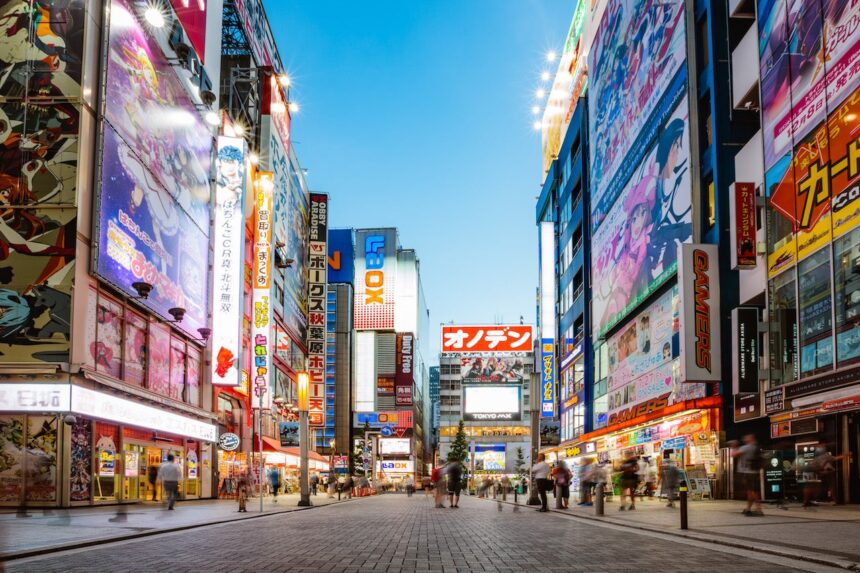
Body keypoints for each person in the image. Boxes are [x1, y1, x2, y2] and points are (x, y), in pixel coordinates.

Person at [733, 434, 764, 516]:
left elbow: (734, 454)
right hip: (755, 471)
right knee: (751, 491)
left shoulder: (746, 447)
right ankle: (748, 508)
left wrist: (734, 446)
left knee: (752, 491)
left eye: (746, 437)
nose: (744, 438)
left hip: (747, 472)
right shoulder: (756, 447)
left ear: (750, 439)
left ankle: (759, 509)